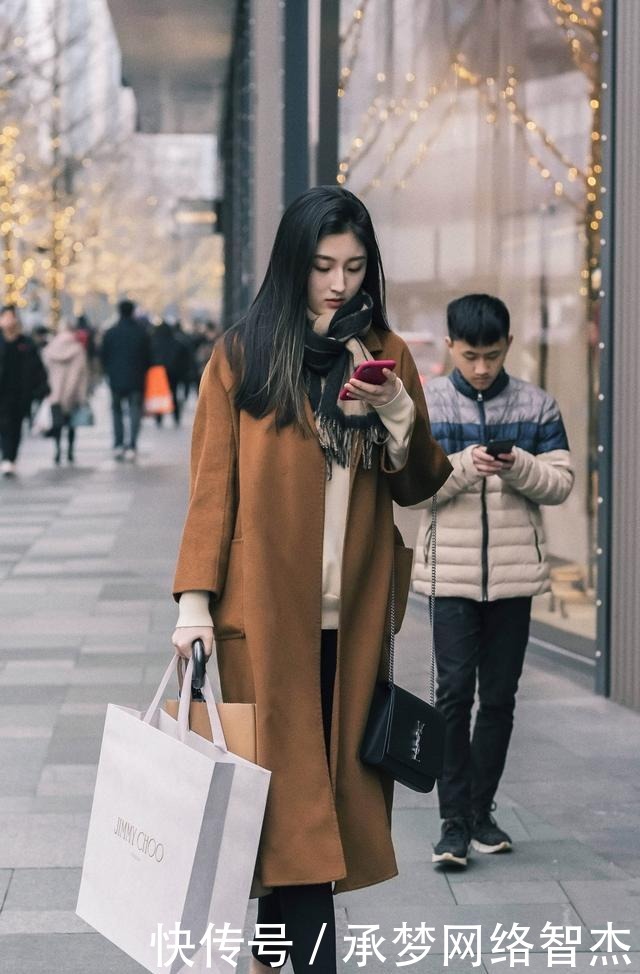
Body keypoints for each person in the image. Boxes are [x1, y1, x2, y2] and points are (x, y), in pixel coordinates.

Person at [171, 185, 451, 972]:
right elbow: (211, 492)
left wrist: (397, 409)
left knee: (304, 808)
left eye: (355, 267)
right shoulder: (243, 355)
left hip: (352, 622)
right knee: (296, 809)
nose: (339, 284)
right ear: (295, 264)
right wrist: (194, 605)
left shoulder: (383, 357)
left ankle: (265, 956)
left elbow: (418, 481)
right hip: (261, 619)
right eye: (324, 266)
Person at [411, 293, 574, 868]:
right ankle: (453, 822)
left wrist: (517, 466)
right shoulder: (427, 404)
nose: (481, 367)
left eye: (493, 355)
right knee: (453, 696)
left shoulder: (536, 405)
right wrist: (463, 468)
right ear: (452, 345)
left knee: (499, 698)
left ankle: (482, 813)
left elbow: (560, 483)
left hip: (514, 579)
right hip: (449, 578)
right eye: (471, 355)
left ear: (508, 346)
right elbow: (414, 489)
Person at [0, 304, 49, 476]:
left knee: (16, 425)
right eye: (4, 317)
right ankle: (6, 457)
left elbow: (37, 367)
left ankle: (10, 457)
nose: (8, 320)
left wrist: (42, 387)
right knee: (4, 425)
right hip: (2, 392)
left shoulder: (26, 342)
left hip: (21, 392)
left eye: (10, 317)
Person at [100, 298, 151, 460]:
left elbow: (103, 355)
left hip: (116, 379)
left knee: (116, 411)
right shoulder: (141, 332)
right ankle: (132, 444)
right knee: (135, 410)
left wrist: (109, 371)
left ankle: (118, 443)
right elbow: (149, 356)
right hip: (137, 378)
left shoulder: (111, 332)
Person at [42, 319, 89, 465]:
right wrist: (83, 393)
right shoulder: (78, 349)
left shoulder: (49, 349)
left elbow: (44, 370)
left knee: (57, 423)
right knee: (71, 424)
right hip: (72, 392)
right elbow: (83, 373)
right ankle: (69, 451)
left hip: (54, 392)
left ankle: (57, 450)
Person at [149, 320, 191, 426]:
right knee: (174, 394)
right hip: (174, 373)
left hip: (158, 372)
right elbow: (184, 359)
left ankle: (159, 417)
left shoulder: (153, 343)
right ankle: (176, 417)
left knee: (159, 395)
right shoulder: (177, 343)